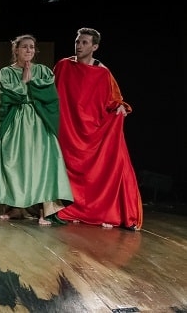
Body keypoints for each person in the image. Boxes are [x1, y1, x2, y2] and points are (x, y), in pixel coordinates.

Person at [53, 27, 143, 230]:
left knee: (106, 166)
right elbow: (50, 91)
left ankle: (101, 211)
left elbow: (114, 98)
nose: (79, 45)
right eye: (77, 41)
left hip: (92, 131)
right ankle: (65, 207)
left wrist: (119, 106)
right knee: (65, 169)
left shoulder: (103, 73)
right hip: (68, 130)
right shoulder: (63, 66)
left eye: (84, 42)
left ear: (94, 47)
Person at [0, 34, 74, 225]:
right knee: (13, 162)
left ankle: (44, 211)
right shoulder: (6, 72)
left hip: (38, 122)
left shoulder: (43, 71)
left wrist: (31, 84)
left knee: (41, 164)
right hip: (16, 121)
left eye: (32, 47)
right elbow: (8, 96)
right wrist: (24, 82)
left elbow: (50, 96)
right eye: (24, 46)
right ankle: (15, 208)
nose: (29, 50)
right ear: (16, 49)